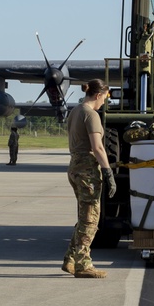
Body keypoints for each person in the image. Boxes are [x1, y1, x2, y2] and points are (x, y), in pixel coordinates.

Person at [62, 79, 116, 279]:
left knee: (84, 217)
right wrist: (108, 171)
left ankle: (70, 258)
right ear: (98, 95)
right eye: (106, 97)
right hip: (87, 170)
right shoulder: (91, 115)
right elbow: (98, 147)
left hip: (75, 167)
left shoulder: (75, 111)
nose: (105, 102)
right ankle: (83, 264)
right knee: (90, 219)